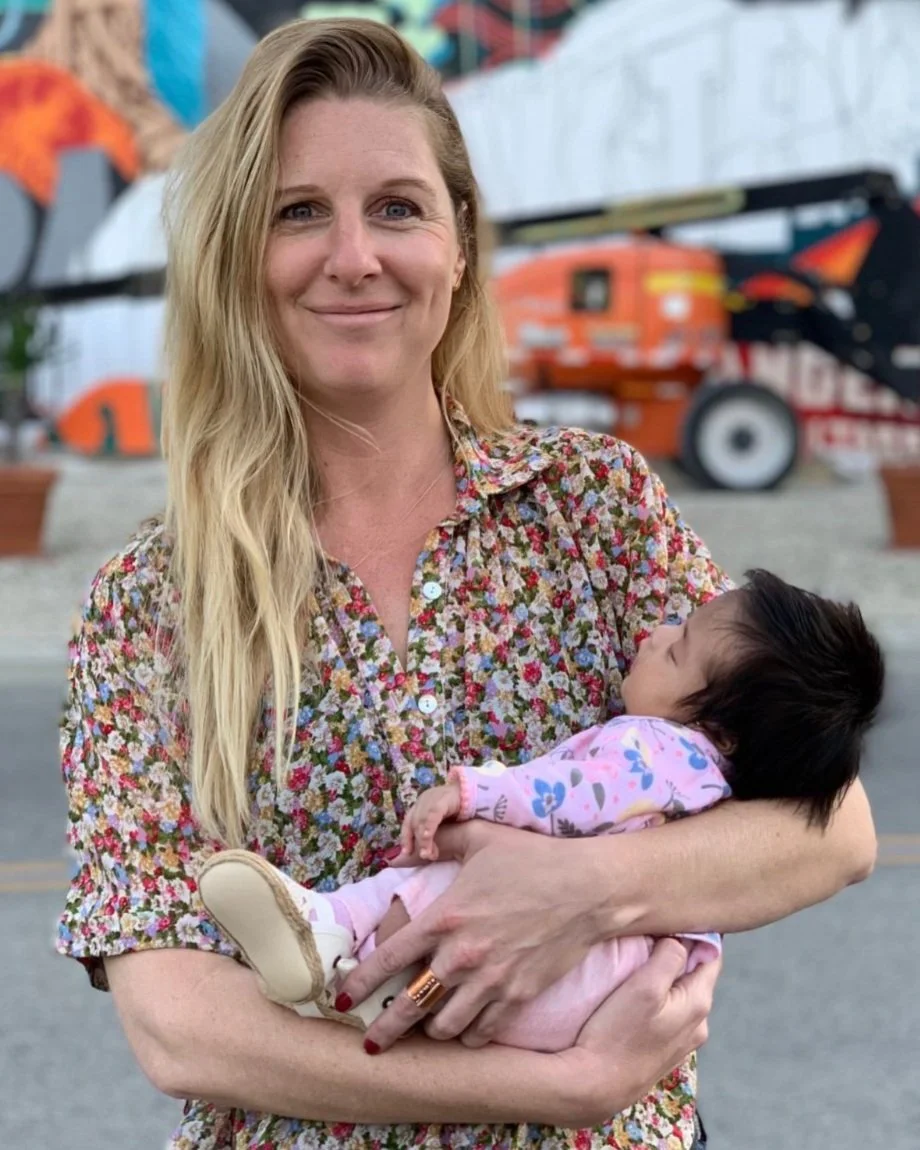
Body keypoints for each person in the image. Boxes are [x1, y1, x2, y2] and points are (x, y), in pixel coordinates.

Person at [55, 17, 878, 1150]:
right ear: (237, 254)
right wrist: (558, 1084)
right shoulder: (146, 605)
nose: (355, 256)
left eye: (397, 207)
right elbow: (179, 1029)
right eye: (299, 212)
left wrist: (579, 890)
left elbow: (831, 830)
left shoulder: (591, 504)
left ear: (458, 246)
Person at [196, 569, 884, 1050]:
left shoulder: (661, 751)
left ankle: (333, 936)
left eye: (676, 650)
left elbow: (568, 796)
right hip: (603, 1001)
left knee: (453, 877)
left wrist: (474, 792)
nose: (654, 630)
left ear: (720, 731)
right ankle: (345, 953)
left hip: (576, 980)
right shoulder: (714, 777)